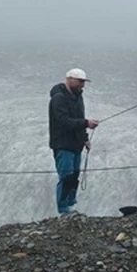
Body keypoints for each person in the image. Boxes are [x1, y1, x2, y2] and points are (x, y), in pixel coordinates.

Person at [48, 68, 99, 215]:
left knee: (74, 177)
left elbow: (79, 117)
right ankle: (63, 210)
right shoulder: (58, 98)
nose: (82, 85)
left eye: (83, 82)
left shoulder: (78, 97)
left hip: (76, 145)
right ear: (70, 79)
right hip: (63, 145)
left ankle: (71, 205)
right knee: (66, 177)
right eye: (80, 82)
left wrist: (85, 139)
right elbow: (63, 121)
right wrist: (86, 123)